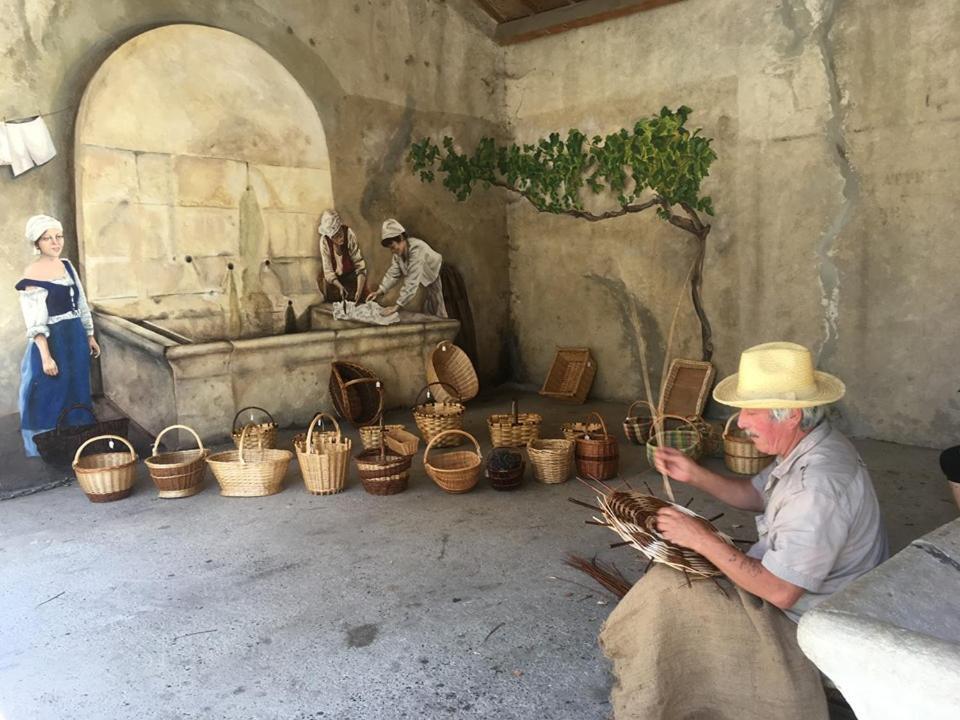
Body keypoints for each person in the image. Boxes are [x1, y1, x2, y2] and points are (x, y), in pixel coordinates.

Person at [599, 341, 888, 720]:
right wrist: (695, 474)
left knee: (667, 592)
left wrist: (700, 538)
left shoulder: (816, 486)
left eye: (752, 411)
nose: (741, 423)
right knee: (675, 576)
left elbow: (781, 592)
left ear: (791, 416)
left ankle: (663, 698)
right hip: (811, 588)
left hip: (814, 616)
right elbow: (755, 494)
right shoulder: (813, 444)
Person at [15, 215, 100, 457]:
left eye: (58, 236)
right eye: (47, 238)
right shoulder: (32, 273)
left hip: (75, 337)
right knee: (52, 391)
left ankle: (78, 444)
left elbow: (81, 304)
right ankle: (53, 448)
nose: (55, 242)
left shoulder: (67, 266)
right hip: (53, 341)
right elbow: (35, 320)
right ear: (37, 243)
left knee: (78, 387)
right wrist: (46, 356)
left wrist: (89, 335)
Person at [366, 219, 446, 317]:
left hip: (443, 278)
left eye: (393, 247)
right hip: (429, 283)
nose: (392, 251)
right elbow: (393, 274)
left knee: (442, 313)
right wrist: (378, 292)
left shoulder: (417, 249)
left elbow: (412, 281)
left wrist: (396, 307)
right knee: (432, 313)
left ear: (401, 238)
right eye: (390, 248)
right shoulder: (398, 254)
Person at [317, 209, 368, 303]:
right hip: (335, 282)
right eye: (336, 235)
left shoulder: (349, 234)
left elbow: (360, 265)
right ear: (330, 237)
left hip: (351, 277)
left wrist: (359, 291)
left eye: (340, 231)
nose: (341, 236)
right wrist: (340, 286)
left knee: (358, 300)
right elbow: (328, 271)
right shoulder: (324, 242)